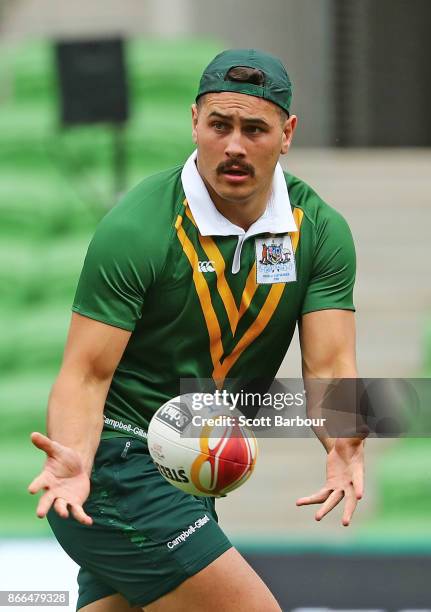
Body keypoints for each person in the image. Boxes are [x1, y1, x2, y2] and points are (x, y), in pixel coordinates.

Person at [28, 49, 365, 612]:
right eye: (220, 125)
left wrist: (345, 443)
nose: (234, 145)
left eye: (254, 129)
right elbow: (86, 373)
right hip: (115, 470)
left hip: (192, 479)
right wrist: (75, 461)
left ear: (287, 134)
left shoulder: (320, 230)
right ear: (194, 123)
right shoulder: (138, 225)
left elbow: (330, 366)